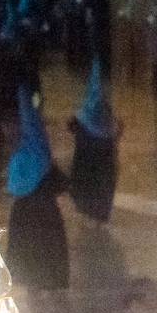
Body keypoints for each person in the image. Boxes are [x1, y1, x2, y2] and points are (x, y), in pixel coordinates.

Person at [6, 87, 70, 291]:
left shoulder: (20, 157)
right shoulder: (42, 157)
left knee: (29, 252)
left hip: (24, 213)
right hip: (46, 214)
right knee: (46, 251)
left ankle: (33, 284)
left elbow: (13, 186)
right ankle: (46, 285)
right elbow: (61, 183)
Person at [67, 57, 119, 225]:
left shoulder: (87, 114)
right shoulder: (106, 117)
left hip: (89, 150)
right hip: (103, 152)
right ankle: (98, 214)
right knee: (102, 182)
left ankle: (91, 212)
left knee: (88, 180)